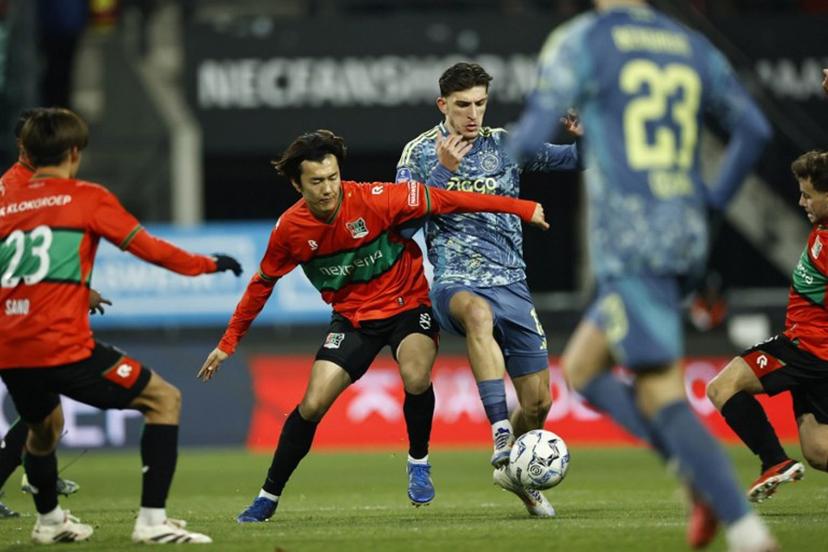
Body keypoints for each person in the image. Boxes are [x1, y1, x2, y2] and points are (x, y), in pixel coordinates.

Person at [507, 1, 777, 550]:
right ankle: (693, 479)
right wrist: (711, 204)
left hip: (635, 246)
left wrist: (497, 153)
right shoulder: (687, 43)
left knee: (658, 391)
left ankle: (745, 529)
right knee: (583, 366)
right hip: (684, 236)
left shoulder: (582, 40)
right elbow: (753, 128)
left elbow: (530, 135)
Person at [197, 129, 549, 523]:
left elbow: (449, 199)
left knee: (416, 375)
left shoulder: (376, 199)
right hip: (352, 320)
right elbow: (261, 285)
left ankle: (418, 461)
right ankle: (268, 496)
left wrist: (519, 207)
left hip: (407, 305)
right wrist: (228, 343)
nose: (328, 189)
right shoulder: (289, 230)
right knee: (312, 404)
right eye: (317, 182)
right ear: (298, 184)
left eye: (333, 178)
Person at [0, 107, 243, 544]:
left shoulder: (4, 201)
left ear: (27, 152)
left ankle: (50, 521)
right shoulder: (86, 197)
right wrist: (208, 264)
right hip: (59, 344)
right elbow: (150, 249)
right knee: (164, 400)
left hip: (9, 349)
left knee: (43, 428)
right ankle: (152, 522)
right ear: (74, 153)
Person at [395, 61, 581, 518]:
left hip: (513, 284)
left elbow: (579, 161)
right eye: (462, 105)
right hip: (456, 282)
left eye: (480, 103)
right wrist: (440, 172)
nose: (472, 114)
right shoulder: (418, 154)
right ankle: (500, 431)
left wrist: (586, 134)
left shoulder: (507, 144)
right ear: (443, 105)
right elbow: (400, 227)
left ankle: (514, 469)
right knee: (477, 314)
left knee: (538, 404)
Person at [0, 108, 112, 519]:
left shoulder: (35, 185)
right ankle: (36, 475)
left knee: (47, 416)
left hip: (27, 317)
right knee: (44, 416)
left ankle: (36, 473)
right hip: (15, 321)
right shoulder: (16, 189)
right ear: (24, 146)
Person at [706, 151, 828, 505]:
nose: (800, 200)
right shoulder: (822, 227)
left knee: (721, 387)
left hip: (806, 348)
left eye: (808, 194)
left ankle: (773, 461)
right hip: (814, 354)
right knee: (819, 451)